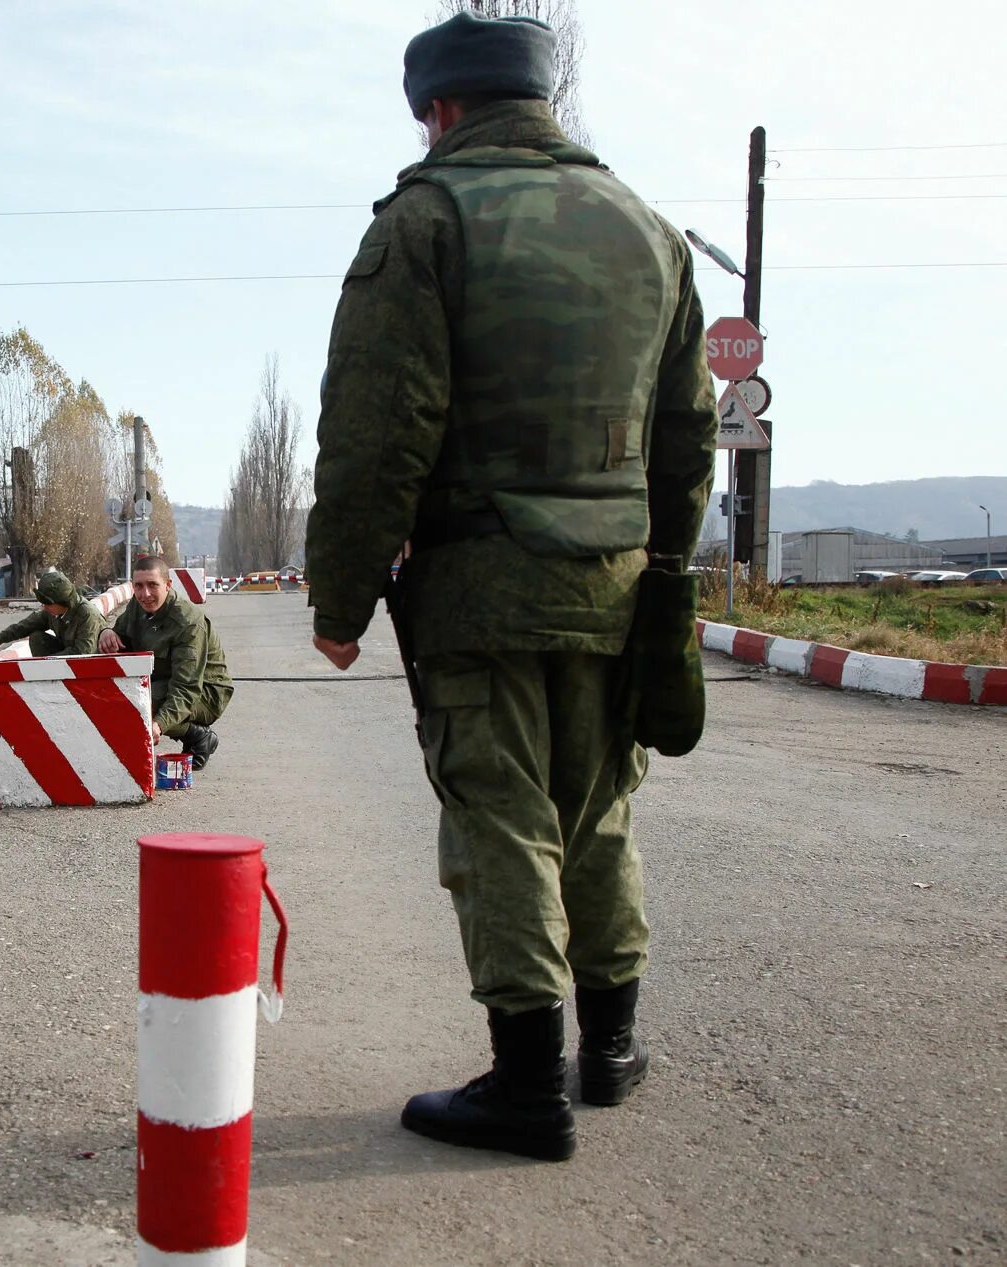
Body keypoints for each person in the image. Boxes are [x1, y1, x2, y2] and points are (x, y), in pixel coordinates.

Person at [305, 12, 718, 1161]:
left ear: (437, 108)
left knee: (501, 818)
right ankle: (613, 1047)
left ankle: (526, 1084)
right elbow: (688, 436)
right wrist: (667, 578)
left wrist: (339, 600)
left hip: (480, 587)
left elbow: (378, 429)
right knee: (598, 809)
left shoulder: (427, 219)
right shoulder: (646, 228)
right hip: (619, 581)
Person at [96, 555, 231, 769]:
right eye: (138, 586)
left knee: (138, 702)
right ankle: (190, 733)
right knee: (118, 696)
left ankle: (198, 736)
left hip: (206, 691)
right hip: (166, 681)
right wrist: (106, 632)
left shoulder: (188, 623)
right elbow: (119, 635)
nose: (145, 594)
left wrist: (157, 725)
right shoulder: (138, 606)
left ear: (168, 585)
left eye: (152, 585)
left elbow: (186, 689)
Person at [0, 569, 105, 658]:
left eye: (48, 604)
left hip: (94, 666)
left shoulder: (87, 614)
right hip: (67, 658)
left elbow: (82, 654)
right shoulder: (53, 613)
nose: (45, 607)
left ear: (63, 602)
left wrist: (46, 663)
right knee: (37, 638)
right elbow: (26, 625)